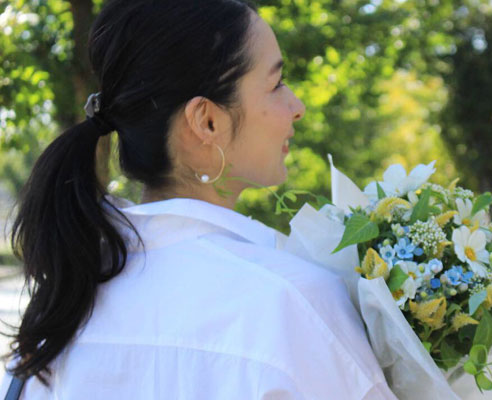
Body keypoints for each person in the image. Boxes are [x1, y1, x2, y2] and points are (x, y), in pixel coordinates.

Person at [0, 0, 396, 398]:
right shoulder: (291, 304)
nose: (297, 106)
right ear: (207, 121)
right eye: (276, 84)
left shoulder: (59, 313)